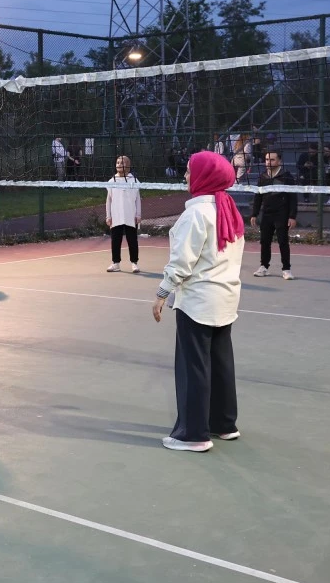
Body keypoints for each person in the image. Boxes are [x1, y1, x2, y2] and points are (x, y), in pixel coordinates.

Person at [152, 151, 245, 453]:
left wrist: (163, 292)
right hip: (226, 300)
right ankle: (223, 424)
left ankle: (193, 435)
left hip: (198, 303)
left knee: (194, 368)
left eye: (190, 171)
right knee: (220, 364)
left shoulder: (196, 214)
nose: (185, 176)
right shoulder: (229, 210)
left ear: (204, 176)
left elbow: (182, 262)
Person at [250, 149, 298, 280]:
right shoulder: (263, 176)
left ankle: (286, 269)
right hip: (266, 214)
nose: (268, 162)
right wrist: (254, 213)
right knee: (264, 242)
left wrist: (292, 216)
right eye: (266, 160)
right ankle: (264, 267)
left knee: (283, 242)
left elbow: (293, 198)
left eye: (272, 160)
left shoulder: (287, 176)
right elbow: (258, 196)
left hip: (282, 214)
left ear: (279, 161)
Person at [105, 155, 142, 273]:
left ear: (128, 166)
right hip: (116, 216)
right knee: (115, 240)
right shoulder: (111, 181)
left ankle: (134, 263)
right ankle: (116, 263)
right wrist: (108, 216)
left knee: (132, 240)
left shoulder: (134, 181)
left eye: (122, 162)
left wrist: (138, 214)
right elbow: (109, 200)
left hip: (130, 216)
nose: (119, 164)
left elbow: (138, 199)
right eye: (117, 162)